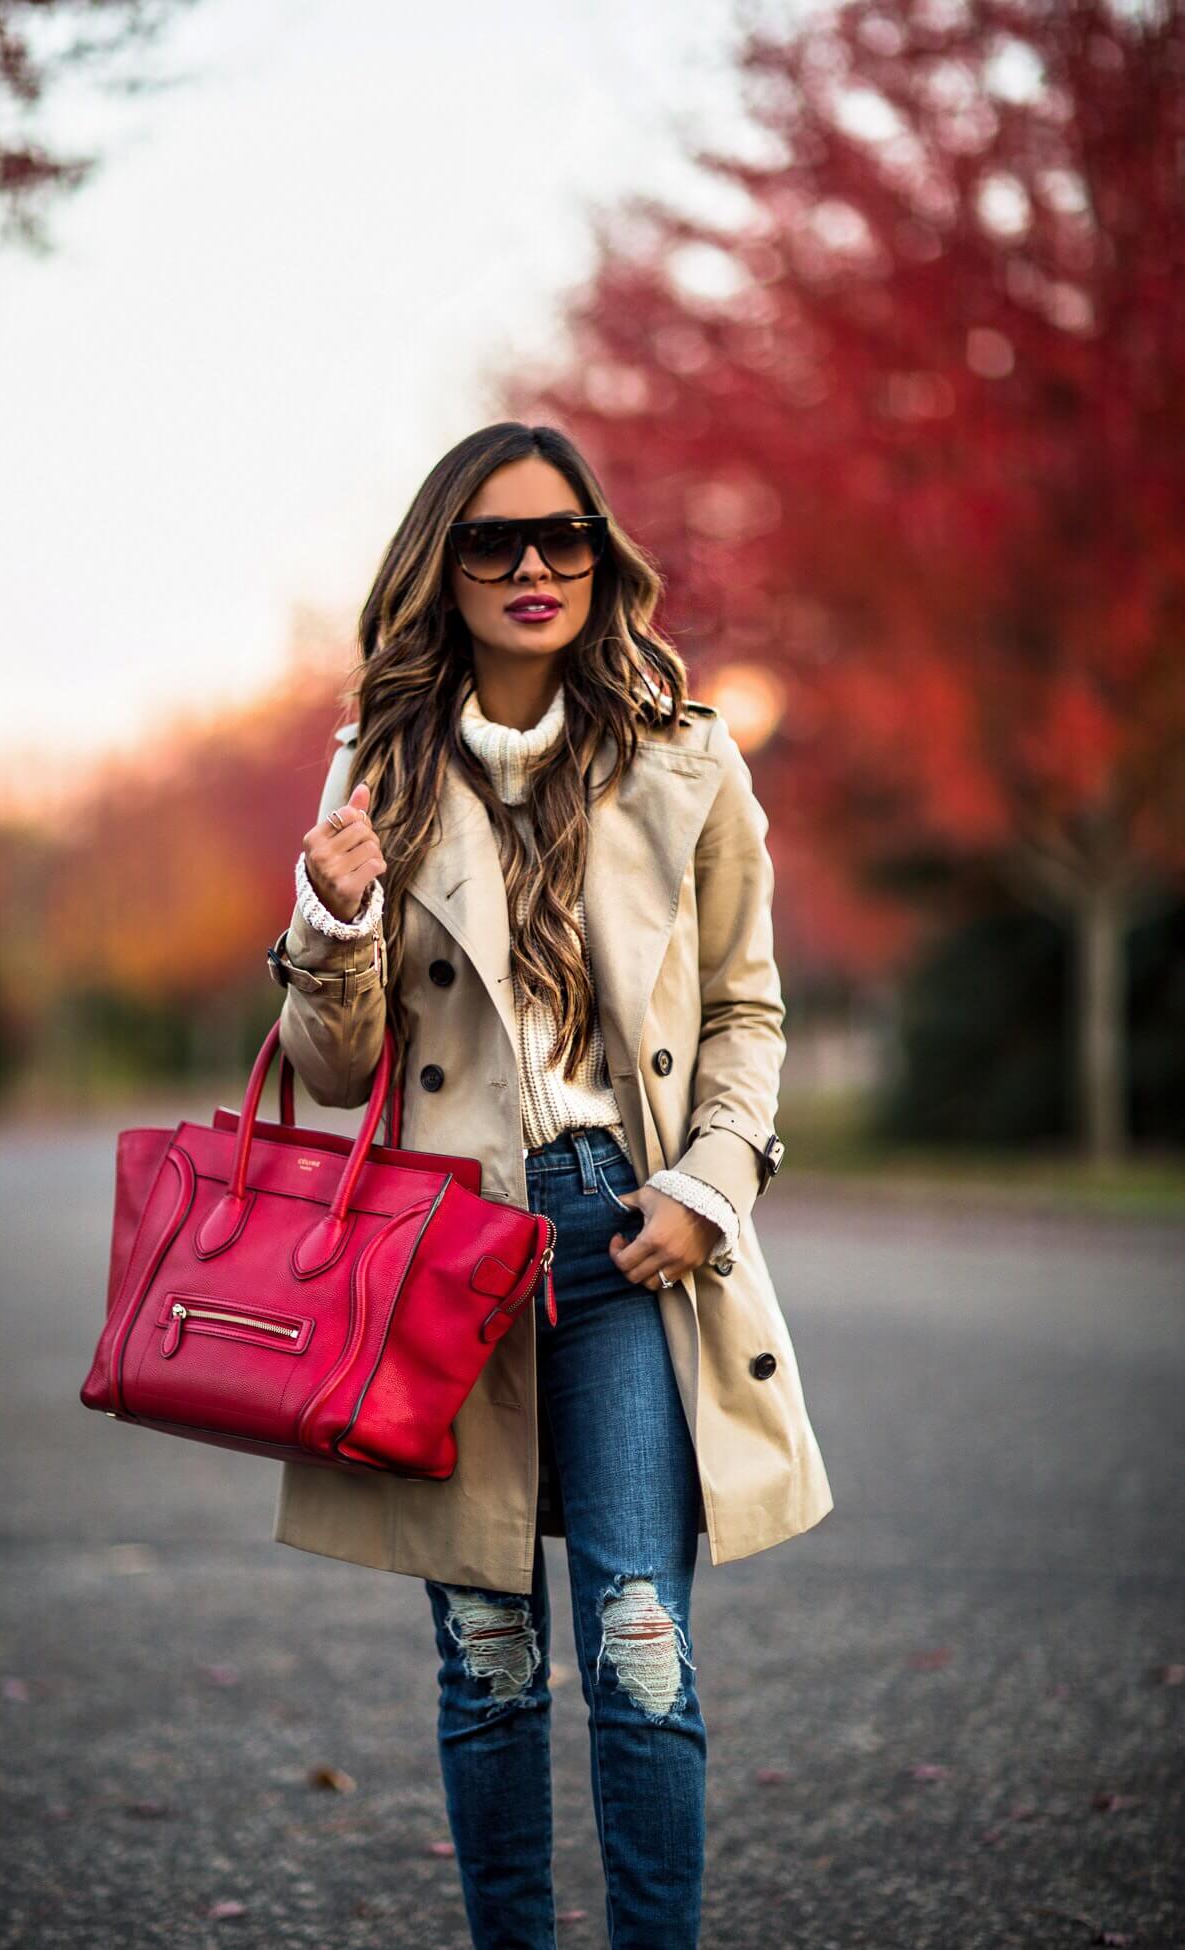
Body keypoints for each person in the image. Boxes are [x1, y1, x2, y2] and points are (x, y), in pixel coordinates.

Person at [267, 421, 833, 1949]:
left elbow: (747, 1008)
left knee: (641, 1646)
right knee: (491, 1655)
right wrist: (333, 921)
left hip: (623, 1236)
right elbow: (332, 1066)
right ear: (440, 569)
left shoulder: (686, 755)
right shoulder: (372, 766)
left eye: (564, 538)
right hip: (446, 1255)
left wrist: (708, 1187)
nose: (535, 567)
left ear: (602, 558)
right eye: (495, 542)